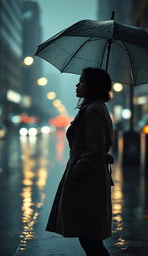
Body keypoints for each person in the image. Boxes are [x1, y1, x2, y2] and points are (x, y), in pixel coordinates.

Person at [46, 67, 114, 256]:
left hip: (87, 179)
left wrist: (77, 171)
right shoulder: (92, 107)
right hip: (89, 176)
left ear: (92, 86)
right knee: (89, 235)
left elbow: (95, 149)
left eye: (82, 81)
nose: (77, 84)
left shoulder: (93, 109)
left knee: (89, 236)